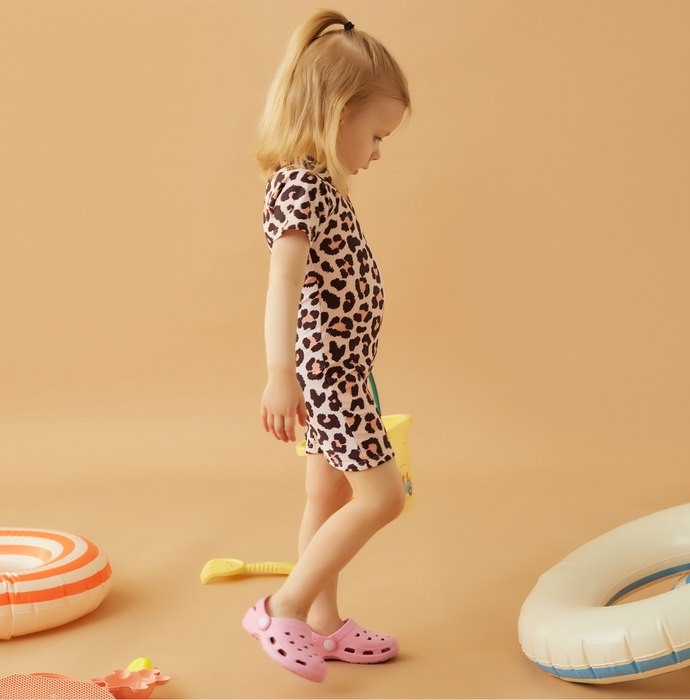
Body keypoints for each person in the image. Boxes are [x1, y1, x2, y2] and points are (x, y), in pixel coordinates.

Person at [242, 9, 411, 683]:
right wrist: (279, 373)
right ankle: (281, 608)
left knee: (327, 497)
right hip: (329, 375)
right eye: (376, 135)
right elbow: (282, 285)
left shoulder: (319, 185)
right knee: (383, 498)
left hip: (345, 372)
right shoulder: (301, 188)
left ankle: (322, 623)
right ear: (338, 114)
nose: (378, 152)